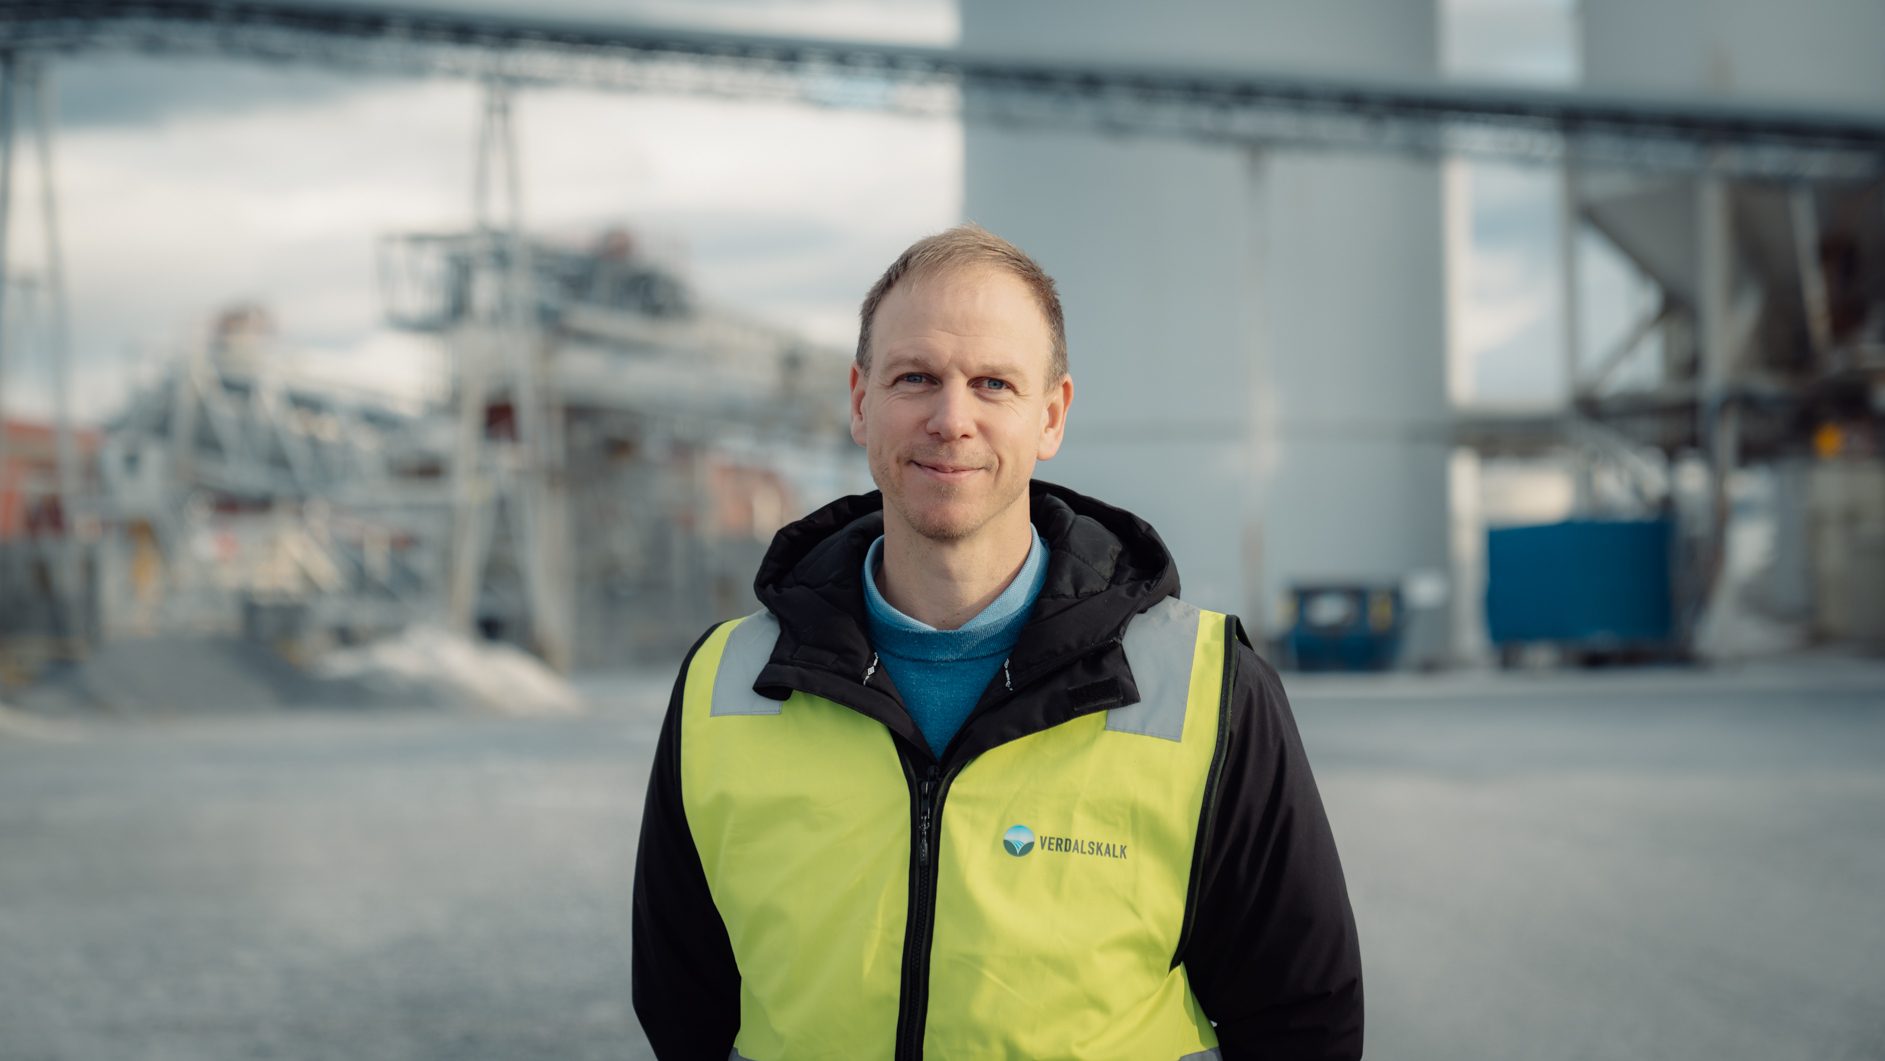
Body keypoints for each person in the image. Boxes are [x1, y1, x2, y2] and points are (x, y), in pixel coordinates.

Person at [632, 225, 1363, 1060]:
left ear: (1050, 415)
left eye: (993, 383)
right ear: (860, 400)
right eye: (916, 378)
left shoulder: (1207, 687)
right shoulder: (726, 681)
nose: (952, 419)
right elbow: (681, 1006)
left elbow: (1302, 1016)